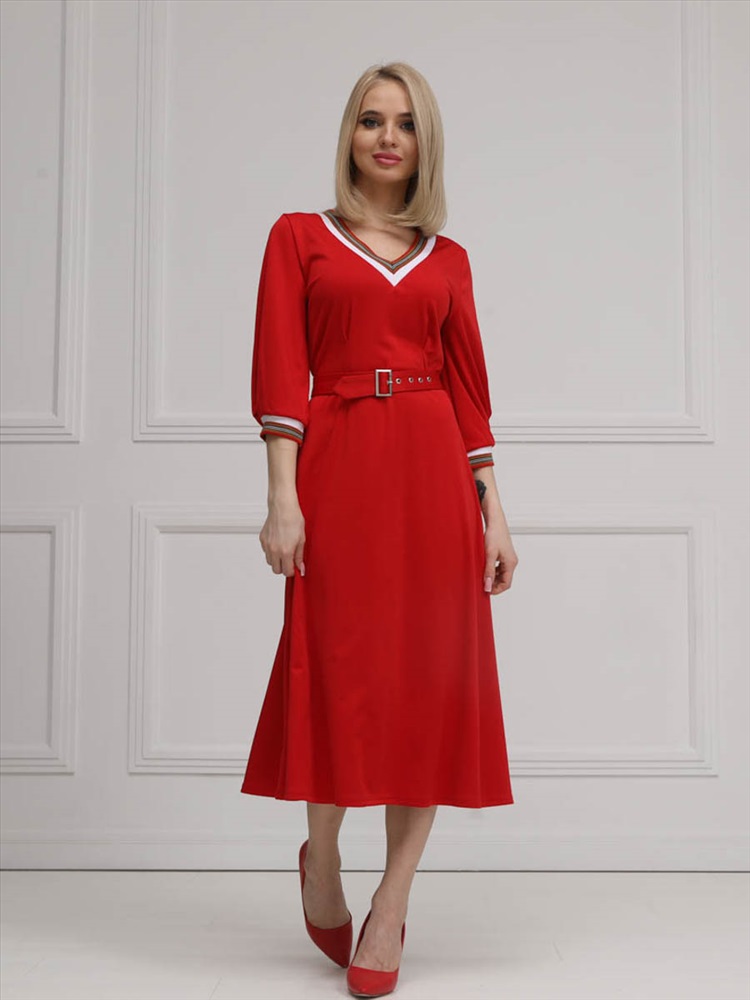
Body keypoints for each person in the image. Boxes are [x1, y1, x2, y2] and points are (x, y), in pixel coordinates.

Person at [240, 61, 519, 998]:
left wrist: (493, 510)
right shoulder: (298, 238)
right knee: (338, 671)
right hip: (340, 465)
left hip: (434, 478)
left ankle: (393, 900)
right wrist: (283, 496)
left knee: (427, 686)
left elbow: (470, 392)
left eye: (404, 123)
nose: (387, 137)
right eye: (370, 120)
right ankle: (321, 853)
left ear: (423, 141)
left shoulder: (449, 260)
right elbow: (281, 368)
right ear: (350, 136)